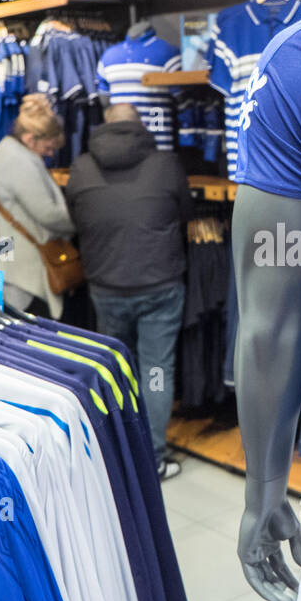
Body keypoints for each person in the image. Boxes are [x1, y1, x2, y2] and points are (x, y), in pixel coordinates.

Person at [66, 103, 194, 480]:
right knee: (156, 370)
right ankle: (153, 457)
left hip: (106, 286)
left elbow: (76, 217)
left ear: (105, 125)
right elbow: (184, 213)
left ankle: (117, 454)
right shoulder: (165, 164)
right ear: (140, 126)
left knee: (114, 370)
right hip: (159, 285)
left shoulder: (81, 166)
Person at [0, 94, 75, 319]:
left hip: (9, 258)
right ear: (31, 138)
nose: (50, 154)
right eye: (48, 148)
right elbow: (49, 214)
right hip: (19, 270)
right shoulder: (16, 160)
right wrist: (82, 221)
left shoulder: (9, 152)